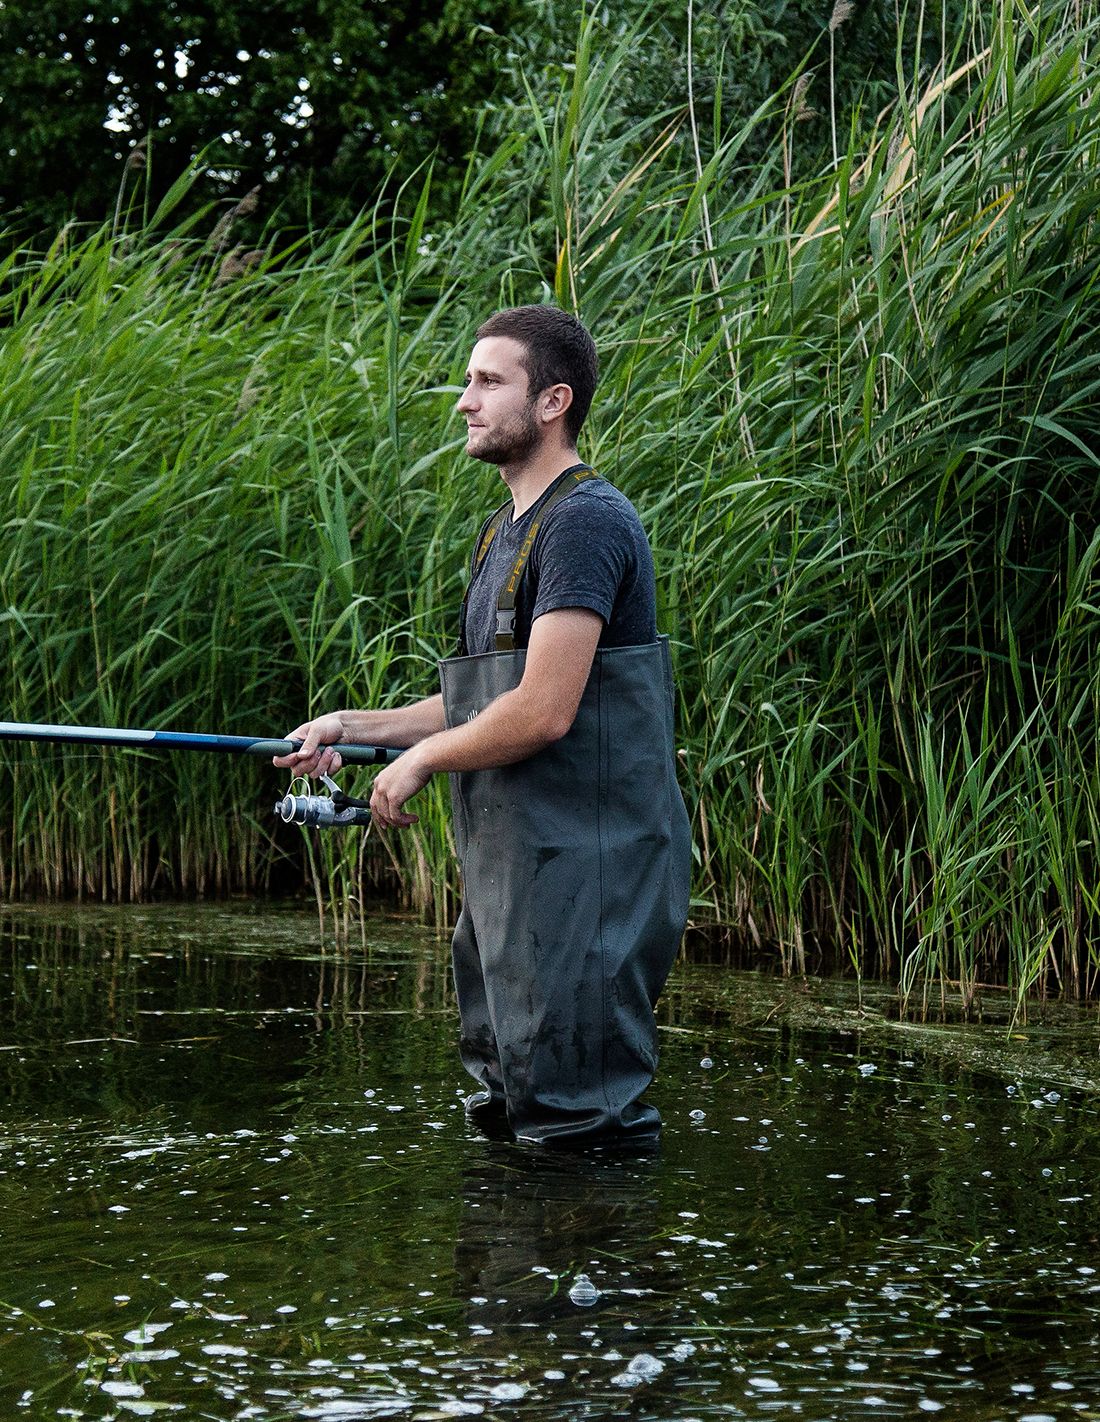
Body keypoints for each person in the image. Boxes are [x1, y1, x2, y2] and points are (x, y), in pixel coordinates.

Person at [276, 305, 691, 1146]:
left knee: (581, 1123)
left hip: (592, 871)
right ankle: (516, 1272)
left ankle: (596, 1272)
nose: (465, 400)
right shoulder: (502, 533)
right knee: (511, 1100)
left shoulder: (586, 522)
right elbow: (480, 701)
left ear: (552, 401)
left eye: (488, 380)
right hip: (520, 877)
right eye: (470, 380)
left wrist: (424, 759)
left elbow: (543, 709)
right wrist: (352, 726)